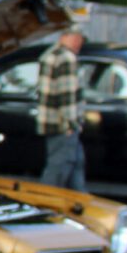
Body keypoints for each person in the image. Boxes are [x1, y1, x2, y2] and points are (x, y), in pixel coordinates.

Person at [35, 28, 85, 190]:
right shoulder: (66, 58)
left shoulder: (49, 55)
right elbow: (67, 95)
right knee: (58, 169)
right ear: (71, 37)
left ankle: (79, 203)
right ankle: (45, 203)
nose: (80, 43)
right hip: (62, 124)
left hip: (48, 120)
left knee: (74, 166)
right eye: (79, 38)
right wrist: (71, 124)